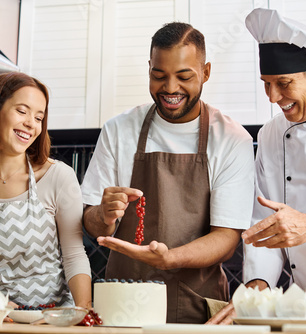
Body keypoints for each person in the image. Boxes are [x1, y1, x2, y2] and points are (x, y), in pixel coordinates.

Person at [81, 22, 255, 323]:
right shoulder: (118, 130)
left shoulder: (231, 138)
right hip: (123, 310)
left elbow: (227, 237)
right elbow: (91, 225)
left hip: (199, 311)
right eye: (158, 76)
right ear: (149, 69)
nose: (170, 88)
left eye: (184, 77)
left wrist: (170, 258)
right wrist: (103, 216)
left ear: (206, 72)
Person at [208, 8, 306, 324]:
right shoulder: (271, 135)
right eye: (266, 83)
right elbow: (265, 226)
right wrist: (257, 289)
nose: (273, 97)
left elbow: (303, 225)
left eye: (284, 83)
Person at [0, 72, 92, 308]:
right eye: (22, 111)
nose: (31, 123)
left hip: (52, 318)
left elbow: (74, 256)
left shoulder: (58, 176)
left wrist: (82, 312)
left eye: (39, 117)